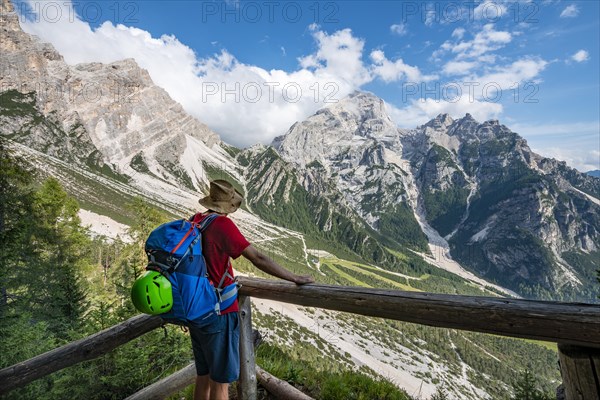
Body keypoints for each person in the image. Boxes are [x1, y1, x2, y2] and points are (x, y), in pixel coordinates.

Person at [190, 179, 314, 400]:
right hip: (218, 312)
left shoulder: (197, 220)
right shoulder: (221, 225)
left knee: (203, 376)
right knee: (220, 382)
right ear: (228, 205)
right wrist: (292, 277)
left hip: (197, 309)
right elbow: (257, 257)